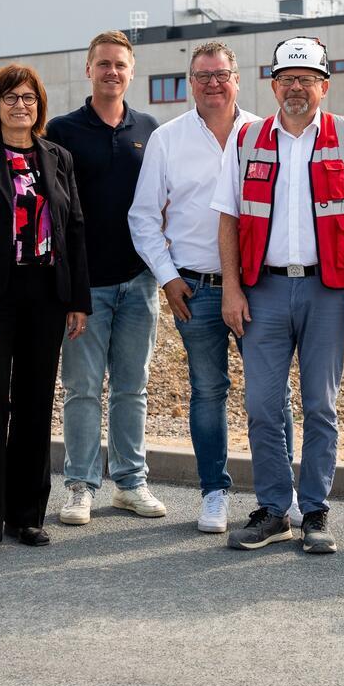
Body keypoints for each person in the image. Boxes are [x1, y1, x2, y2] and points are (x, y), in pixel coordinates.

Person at [213, 35, 344, 554]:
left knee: (321, 406)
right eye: (288, 79)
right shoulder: (246, 139)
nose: (297, 89)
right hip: (262, 289)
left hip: (328, 290)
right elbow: (227, 217)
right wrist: (231, 289)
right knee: (264, 406)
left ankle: (314, 510)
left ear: (324, 86)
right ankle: (273, 509)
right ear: (273, 85)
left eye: (307, 80)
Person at [129, 42, 300, 534]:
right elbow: (142, 218)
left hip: (259, 287)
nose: (211, 84)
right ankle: (214, 493)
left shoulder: (266, 135)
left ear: (237, 79)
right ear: (190, 82)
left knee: (272, 394)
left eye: (220, 75)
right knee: (208, 391)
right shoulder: (168, 140)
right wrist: (168, 277)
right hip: (195, 290)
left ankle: (282, 495)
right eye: (202, 76)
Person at [0, 64, 90, 559]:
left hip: (46, 295)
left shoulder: (59, 157)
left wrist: (77, 301)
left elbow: (74, 230)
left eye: (28, 97)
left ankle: (26, 516)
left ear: (39, 105)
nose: (20, 105)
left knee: (34, 407)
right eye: (10, 97)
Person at [45, 31, 166, 525]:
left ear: (131, 72)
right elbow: (52, 210)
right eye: (103, 64)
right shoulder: (63, 129)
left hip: (139, 281)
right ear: (88, 70)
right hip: (85, 286)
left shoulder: (151, 128)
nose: (112, 72)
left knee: (132, 387)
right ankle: (79, 484)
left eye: (120, 64)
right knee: (82, 388)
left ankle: (131, 483)